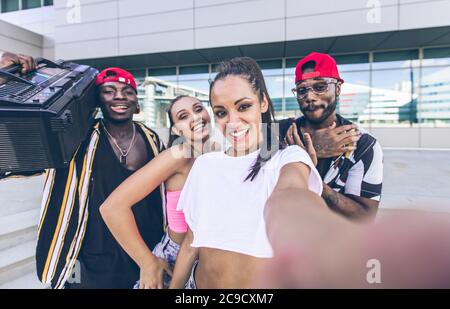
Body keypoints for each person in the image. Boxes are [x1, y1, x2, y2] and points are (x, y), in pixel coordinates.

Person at [168, 57, 324, 289]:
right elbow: (192, 241)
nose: (232, 122)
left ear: (262, 102)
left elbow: (292, 191)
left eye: (243, 106)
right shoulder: (205, 165)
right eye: (221, 113)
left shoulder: (288, 157)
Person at [34, 66, 167, 289]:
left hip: (144, 254)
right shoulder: (76, 139)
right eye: (109, 90)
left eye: (128, 90)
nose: (119, 96)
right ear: (96, 101)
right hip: (92, 262)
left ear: (137, 103)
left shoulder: (152, 138)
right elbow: (30, 155)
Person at [100, 95, 217, 289]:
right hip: (172, 259)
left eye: (198, 109)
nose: (195, 117)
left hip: (203, 258)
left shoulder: (216, 155)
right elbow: (112, 208)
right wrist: (147, 262)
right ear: (176, 129)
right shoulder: (178, 155)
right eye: (183, 116)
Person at [279, 52, 383, 220]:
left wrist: (314, 180)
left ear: (338, 89)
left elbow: (365, 217)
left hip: (330, 240)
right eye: (302, 90)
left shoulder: (363, 144)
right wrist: (313, 149)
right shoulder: (278, 130)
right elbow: (252, 184)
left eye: (320, 87)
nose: (310, 97)